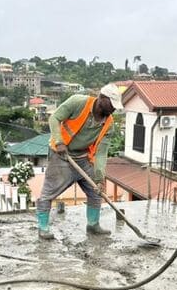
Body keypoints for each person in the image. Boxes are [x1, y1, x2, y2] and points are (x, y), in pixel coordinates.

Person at [36, 83, 122, 240]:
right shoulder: (78, 102)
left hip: (83, 158)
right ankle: (43, 228)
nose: (114, 109)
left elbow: (101, 153)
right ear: (102, 98)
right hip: (61, 156)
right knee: (48, 193)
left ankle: (93, 225)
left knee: (96, 191)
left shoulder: (108, 123)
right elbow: (54, 118)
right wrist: (59, 141)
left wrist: (99, 178)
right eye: (112, 105)